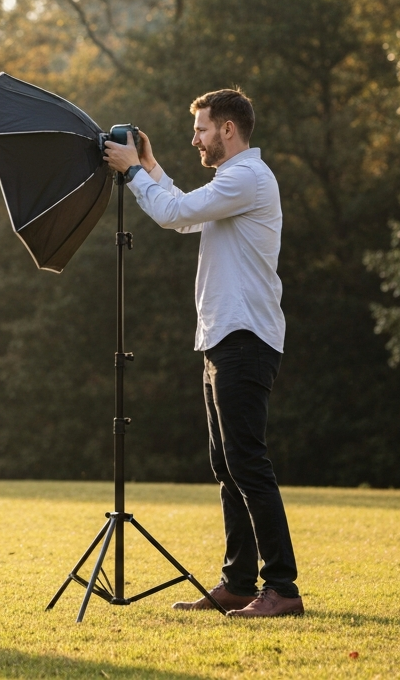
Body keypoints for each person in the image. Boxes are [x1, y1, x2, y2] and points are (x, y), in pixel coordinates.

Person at [101, 90, 303, 618]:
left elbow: (172, 215)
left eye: (201, 129)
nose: (195, 138)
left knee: (247, 462)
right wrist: (149, 166)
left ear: (229, 130)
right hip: (221, 337)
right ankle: (238, 583)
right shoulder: (231, 183)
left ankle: (281, 588)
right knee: (226, 463)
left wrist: (130, 174)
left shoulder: (247, 178)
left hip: (245, 337)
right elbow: (188, 216)